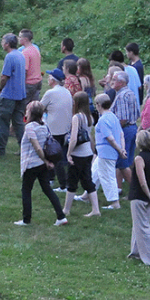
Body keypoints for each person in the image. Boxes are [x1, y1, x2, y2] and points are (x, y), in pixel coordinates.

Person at [15, 101, 68, 226]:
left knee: (26, 191)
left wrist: (45, 160)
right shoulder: (44, 125)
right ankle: (61, 216)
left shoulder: (30, 127)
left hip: (31, 164)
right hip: (42, 165)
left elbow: (37, 147)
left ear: (31, 113)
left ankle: (26, 220)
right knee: (47, 189)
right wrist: (47, 162)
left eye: (27, 110)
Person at [63, 91, 102, 219]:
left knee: (72, 181)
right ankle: (95, 209)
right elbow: (90, 137)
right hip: (87, 154)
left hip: (77, 154)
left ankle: (66, 209)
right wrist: (93, 151)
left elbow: (73, 138)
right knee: (87, 180)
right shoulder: (89, 117)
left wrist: (68, 154)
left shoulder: (76, 118)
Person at [126, 130, 150, 264]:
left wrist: (149, 196)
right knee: (139, 224)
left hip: (139, 196)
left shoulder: (139, 158)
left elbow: (142, 182)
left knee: (143, 227)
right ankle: (135, 251)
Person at [0, 33, 27, 156]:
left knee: (3, 121)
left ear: (7, 44)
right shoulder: (21, 55)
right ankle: (24, 148)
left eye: (3, 41)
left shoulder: (10, 57)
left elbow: (4, 76)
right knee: (18, 122)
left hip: (9, 94)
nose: (2, 43)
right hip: (21, 94)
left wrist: (1, 88)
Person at [42, 69, 74, 190]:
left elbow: (40, 107)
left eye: (49, 77)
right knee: (53, 155)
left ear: (53, 80)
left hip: (53, 129)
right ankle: (50, 178)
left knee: (56, 157)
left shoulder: (50, 93)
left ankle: (63, 184)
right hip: (65, 129)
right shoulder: (67, 92)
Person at [93, 93, 124, 209]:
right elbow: (121, 134)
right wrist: (122, 149)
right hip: (106, 152)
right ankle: (88, 194)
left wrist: (120, 150)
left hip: (106, 152)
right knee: (95, 172)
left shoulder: (103, 120)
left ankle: (115, 202)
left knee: (107, 176)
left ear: (99, 105)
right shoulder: (113, 116)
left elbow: (110, 138)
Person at [110, 71, 140, 187]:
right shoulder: (130, 93)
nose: (111, 82)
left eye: (114, 79)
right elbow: (137, 113)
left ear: (121, 83)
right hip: (132, 128)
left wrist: (114, 131)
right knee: (125, 161)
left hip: (125, 131)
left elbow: (122, 119)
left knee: (122, 162)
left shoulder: (121, 96)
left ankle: (136, 189)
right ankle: (118, 188)